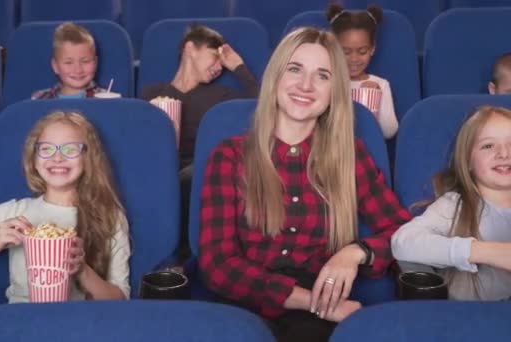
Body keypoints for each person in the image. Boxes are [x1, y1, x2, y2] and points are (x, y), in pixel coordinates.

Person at [198, 27, 411, 342]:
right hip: (242, 305)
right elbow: (217, 264)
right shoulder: (230, 156)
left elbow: (404, 232)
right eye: (295, 69)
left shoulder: (350, 156)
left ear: (333, 92)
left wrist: (355, 253)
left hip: (314, 313)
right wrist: (313, 302)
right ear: (275, 79)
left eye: (322, 76)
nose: (306, 85)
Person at [0, 111, 130, 302]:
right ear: (34, 160)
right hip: (20, 321)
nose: (57, 157)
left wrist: (82, 270)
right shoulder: (16, 213)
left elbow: (120, 299)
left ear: (88, 158)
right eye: (46, 149)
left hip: (77, 324)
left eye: (70, 149)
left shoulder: (109, 216)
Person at [142, 24, 259, 258]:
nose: (218, 67)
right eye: (215, 57)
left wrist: (237, 66)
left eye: (222, 64)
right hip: (160, 167)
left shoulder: (221, 95)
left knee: (189, 177)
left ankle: (184, 255)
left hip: (201, 168)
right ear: (190, 48)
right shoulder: (151, 94)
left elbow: (260, 104)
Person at [392, 106, 511, 301]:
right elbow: (402, 243)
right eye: (488, 146)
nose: (504, 154)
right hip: (465, 319)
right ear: (468, 161)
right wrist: (487, 252)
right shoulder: (454, 206)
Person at [326, 4, 397, 139]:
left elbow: (389, 132)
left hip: (367, 150)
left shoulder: (380, 84)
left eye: (362, 51)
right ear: (334, 49)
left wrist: (375, 98)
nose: (354, 59)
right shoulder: (327, 81)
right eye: (346, 52)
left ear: (372, 49)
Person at [32, 22, 115, 99]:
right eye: (68, 62)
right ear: (55, 66)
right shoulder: (40, 98)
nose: (78, 70)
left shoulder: (106, 99)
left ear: (95, 62)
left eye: (85, 61)